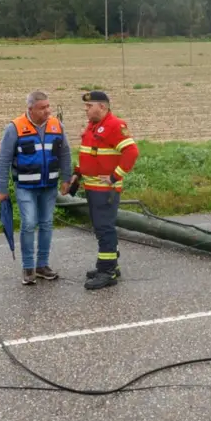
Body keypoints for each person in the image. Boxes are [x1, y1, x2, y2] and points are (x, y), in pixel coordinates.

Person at [0, 90, 71, 285]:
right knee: (29, 223)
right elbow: (3, 160)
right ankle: (28, 267)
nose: (48, 111)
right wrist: (1, 188)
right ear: (30, 109)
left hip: (49, 185)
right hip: (25, 186)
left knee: (46, 223)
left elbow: (65, 154)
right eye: (42, 108)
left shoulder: (57, 125)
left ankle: (42, 265)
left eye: (48, 106)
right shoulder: (14, 128)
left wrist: (66, 178)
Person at [71, 89, 139, 290]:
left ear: (102, 107)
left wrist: (114, 176)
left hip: (105, 190)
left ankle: (107, 272)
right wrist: (77, 173)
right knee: (101, 228)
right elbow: (88, 154)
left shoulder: (114, 125)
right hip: (92, 187)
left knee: (104, 228)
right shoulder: (93, 126)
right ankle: (111, 265)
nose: (86, 109)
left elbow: (131, 152)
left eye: (89, 106)